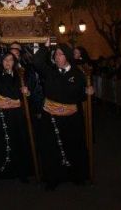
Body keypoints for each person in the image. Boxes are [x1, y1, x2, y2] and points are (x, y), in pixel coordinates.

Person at [32, 43, 94, 190]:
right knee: (51, 148)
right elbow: (36, 61)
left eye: (60, 54)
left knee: (73, 146)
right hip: (51, 118)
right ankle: (52, 178)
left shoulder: (78, 74)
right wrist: (45, 47)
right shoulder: (50, 72)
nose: (57, 57)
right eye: (55, 55)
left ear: (67, 56)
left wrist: (88, 92)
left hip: (71, 118)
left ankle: (76, 176)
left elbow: (80, 96)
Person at [0, 48, 31, 188]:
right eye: (5, 60)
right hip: (0, 114)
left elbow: (25, 94)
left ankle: (21, 173)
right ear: (1, 61)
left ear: (14, 62)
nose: (8, 63)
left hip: (15, 115)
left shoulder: (20, 75)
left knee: (18, 142)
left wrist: (26, 92)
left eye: (10, 60)